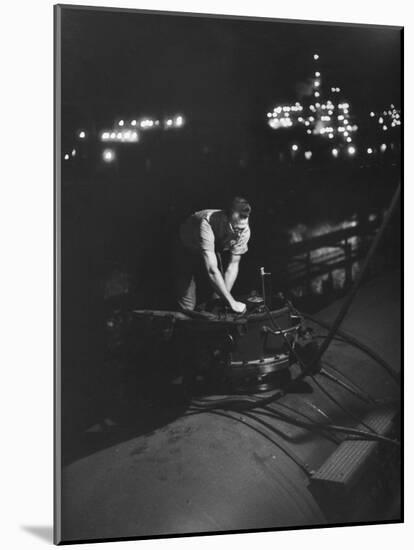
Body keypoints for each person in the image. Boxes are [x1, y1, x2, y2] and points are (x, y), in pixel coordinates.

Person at [174, 197, 251, 313]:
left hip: (211, 248)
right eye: (235, 229)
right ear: (226, 219)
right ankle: (186, 325)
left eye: (242, 229)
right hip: (187, 249)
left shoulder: (244, 230)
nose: (239, 233)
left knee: (217, 298)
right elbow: (211, 270)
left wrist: (224, 300)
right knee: (188, 303)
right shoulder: (206, 223)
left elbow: (233, 265)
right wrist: (232, 302)